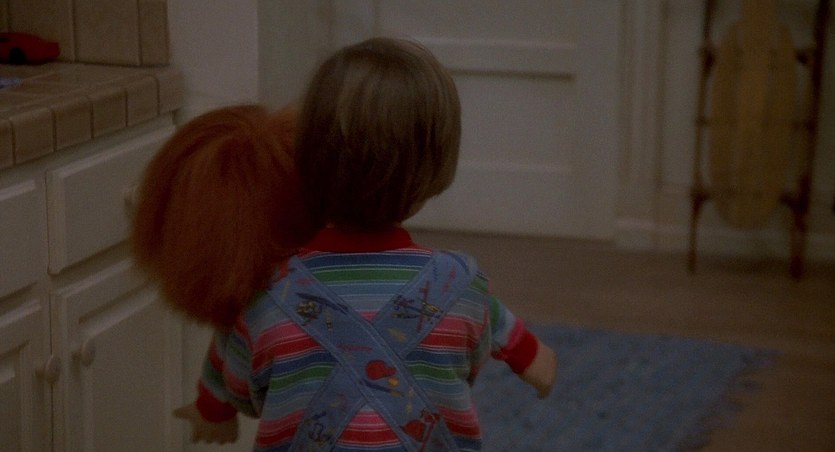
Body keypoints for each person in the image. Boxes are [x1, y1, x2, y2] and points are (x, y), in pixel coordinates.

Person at [172, 37, 557, 451]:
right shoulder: (460, 285)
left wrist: (212, 411)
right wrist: (533, 359)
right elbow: (518, 353)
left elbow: (236, 384)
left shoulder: (265, 295)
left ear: (305, 153)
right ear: (436, 165)